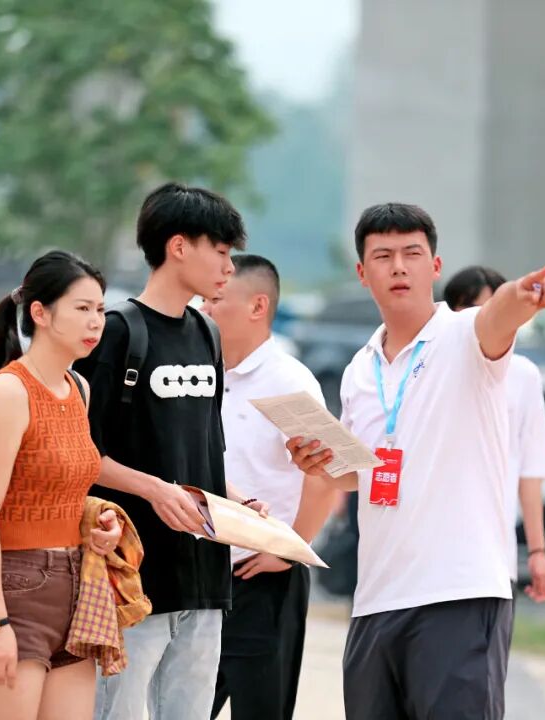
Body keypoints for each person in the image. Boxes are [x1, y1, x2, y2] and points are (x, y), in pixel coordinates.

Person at [288, 203, 545, 720]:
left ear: (435, 266)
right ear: (362, 272)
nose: (398, 267)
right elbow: (359, 472)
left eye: (411, 254)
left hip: (458, 594)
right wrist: (320, 463)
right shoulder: (359, 368)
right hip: (376, 599)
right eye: (383, 256)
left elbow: (500, 313)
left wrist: (523, 295)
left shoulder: (466, 335)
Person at [76, 183, 266, 720]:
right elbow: (83, 455)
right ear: (178, 246)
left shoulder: (207, 334)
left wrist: (238, 503)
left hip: (205, 581)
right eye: (221, 251)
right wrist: (155, 491)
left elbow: (204, 449)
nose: (229, 267)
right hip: (132, 581)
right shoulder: (117, 333)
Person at [0, 250, 124, 720]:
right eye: (82, 308)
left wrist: (98, 522)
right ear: (40, 313)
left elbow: (61, 484)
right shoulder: (9, 391)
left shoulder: (79, 389)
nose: (96, 322)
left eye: (100, 309)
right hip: (15, 587)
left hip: (77, 587)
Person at [200, 254, 338, 720]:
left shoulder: (289, 382)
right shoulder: (199, 373)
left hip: (263, 576)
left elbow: (327, 476)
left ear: (257, 306)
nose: (204, 308)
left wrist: (290, 550)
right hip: (198, 576)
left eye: (216, 299)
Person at [443, 265, 545, 609]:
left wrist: (537, 551)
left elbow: (531, 469)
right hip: (430, 557)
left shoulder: (523, 376)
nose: (486, 318)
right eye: (474, 309)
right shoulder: (425, 370)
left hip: (491, 558)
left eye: (496, 308)